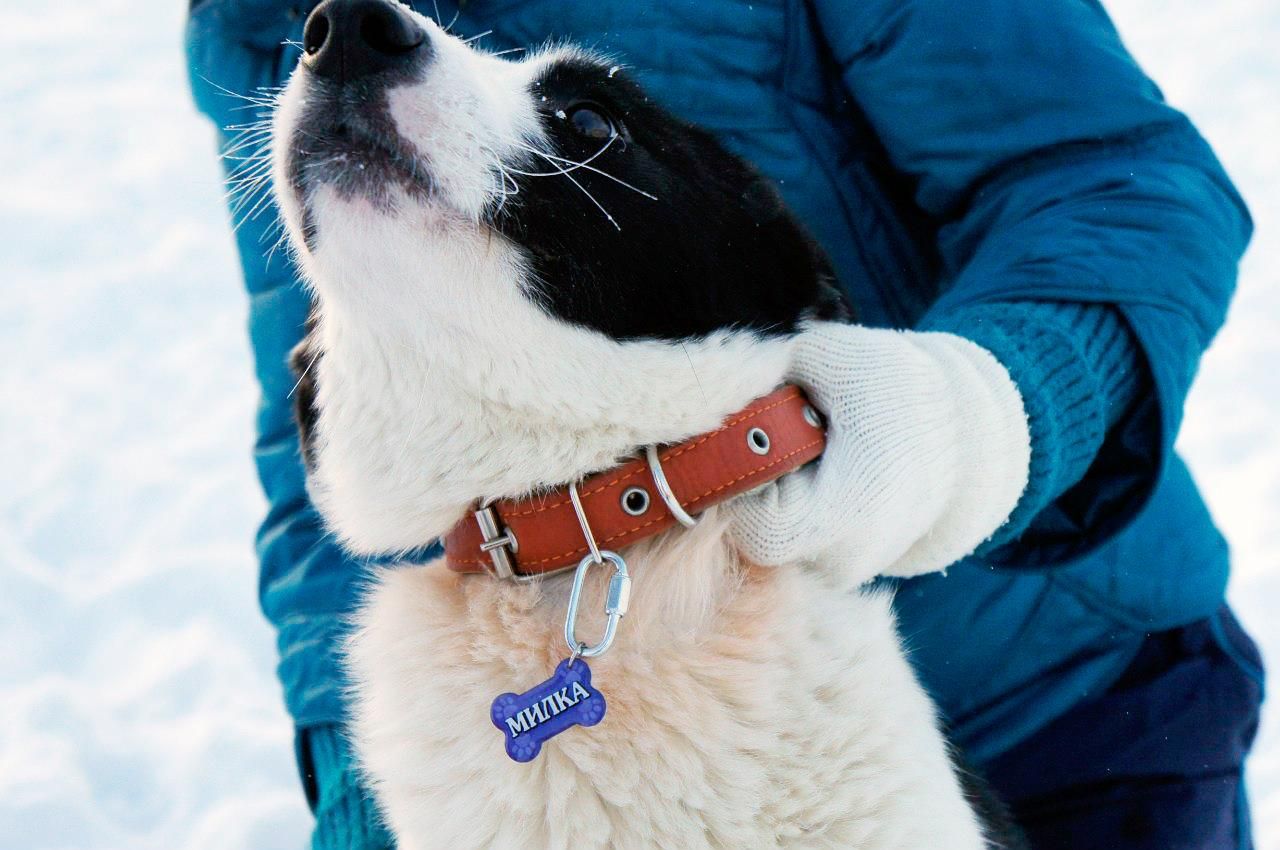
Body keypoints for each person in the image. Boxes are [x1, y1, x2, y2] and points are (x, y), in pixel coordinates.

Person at [185, 0, 1261, 847]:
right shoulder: (258, 16)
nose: (340, 36)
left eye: (583, 126)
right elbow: (323, 426)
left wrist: (974, 417)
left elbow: (1114, 181)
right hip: (537, 755)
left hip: (1070, 705)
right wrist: (363, 790)